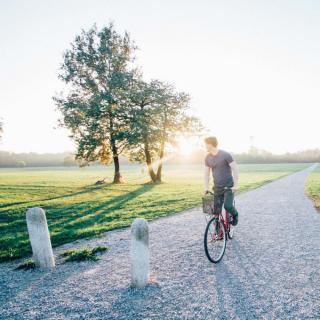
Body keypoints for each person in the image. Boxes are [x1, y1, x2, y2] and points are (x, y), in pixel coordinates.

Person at [203, 136, 239, 226]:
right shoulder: (207, 157)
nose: (205, 146)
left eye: (206, 144)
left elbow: (235, 169)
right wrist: (206, 187)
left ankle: (235, 215)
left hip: (228, 186)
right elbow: (206, 174)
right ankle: (219, 228)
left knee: (227, 206)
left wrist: (235, 185)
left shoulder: (225, 154)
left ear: (210, 144)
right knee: (213, 210)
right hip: (217, 187)